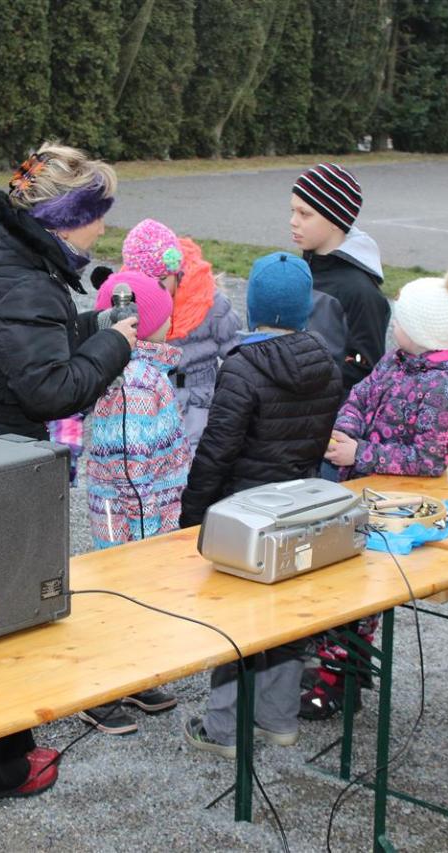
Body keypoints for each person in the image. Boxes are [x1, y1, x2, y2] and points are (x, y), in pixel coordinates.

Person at [0, 140, 137, 802]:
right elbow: (51, 388)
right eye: (98, 215)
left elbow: (24, 341)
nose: (103, 230)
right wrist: (117, 344)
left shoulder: (6, 254)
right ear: (67, 219)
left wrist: (96, 325)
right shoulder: (27, 281)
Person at [178, 251, 343, 756]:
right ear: (304, 308)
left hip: (244, 515)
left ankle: (224, 729)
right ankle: (278, 717)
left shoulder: (242, 367)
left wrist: (193, 515)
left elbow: (217, 450)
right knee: (285, 617)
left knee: (237, 622)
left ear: (253, 307)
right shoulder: (325, 362)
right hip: (295, 511)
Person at [304, 266, 448, 721]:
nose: (393, 327)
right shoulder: (398, 361)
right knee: (347, 587)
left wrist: (361, 453)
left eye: (400, 321)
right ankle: (344, 669)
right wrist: (346, 431)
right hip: (365, 491)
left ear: (423, 333)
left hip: (395, 509)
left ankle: (337, 685)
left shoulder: (442, 387)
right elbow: (360, 397)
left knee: (357, 597)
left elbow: (430, 458)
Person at [77, 269, 189, 735]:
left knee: (144, 599)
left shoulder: (150, 371)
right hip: (128, 515)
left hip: (151, 509)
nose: (171, 322)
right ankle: (101, 690)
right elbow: (130, 462)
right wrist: (146, 528)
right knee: (119, 598)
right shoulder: (133, 381)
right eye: (163, 315)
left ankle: (136, 677)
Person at [127, 228, 242, 452]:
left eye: (162, 279)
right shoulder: (128, 303)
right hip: (148, 403)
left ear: (176, 273)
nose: (154, 289)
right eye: (145, 282)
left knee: (196, 460)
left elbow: (236, 355)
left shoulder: (209, 303)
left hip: (198, 402)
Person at [291, 163, 386, 391]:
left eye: (305, 214)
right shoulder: (300, 269)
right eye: (292, 211)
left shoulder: (360, 291)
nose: (293, 221)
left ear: (335, 220)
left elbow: (367, 368)